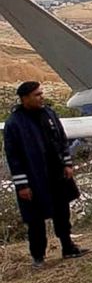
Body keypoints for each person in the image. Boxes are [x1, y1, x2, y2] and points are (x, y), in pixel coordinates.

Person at [3, 82, 86, 268]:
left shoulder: (49, 113)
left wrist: (67, 163)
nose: (41, 97)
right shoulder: (14, 123)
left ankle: (68, 247)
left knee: (62, 212)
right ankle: (38, 257)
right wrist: (22, 185)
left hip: (56, 173)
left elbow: (62, 140)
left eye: (41, 93)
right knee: (35, 219)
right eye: (37, 94)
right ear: (25, 99)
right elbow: (13, 157)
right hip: (33, 179)